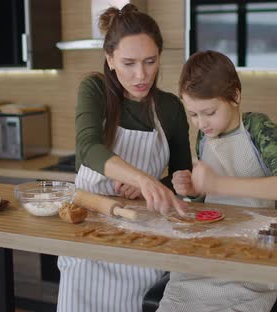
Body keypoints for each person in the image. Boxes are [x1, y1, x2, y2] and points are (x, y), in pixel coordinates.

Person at [57, 4, 193, 312]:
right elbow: (88, 148)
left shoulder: (169, 108)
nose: (141, 74)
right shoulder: (94, 89)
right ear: (110, 59)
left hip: (144, 241)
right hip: (88, 240)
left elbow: (185, 178)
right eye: (128, 63)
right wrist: (143, 179)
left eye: (150, 61)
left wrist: (160, 184)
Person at [158, 50, 277, 312]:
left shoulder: (258, 127)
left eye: (209, 112)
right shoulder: (204, 137)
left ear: (234, 96)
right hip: (208, 253)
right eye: (193, 115)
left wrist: (218, 184)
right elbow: (208, 201)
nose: (201, 123)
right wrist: (191, 191)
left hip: (252, 260)